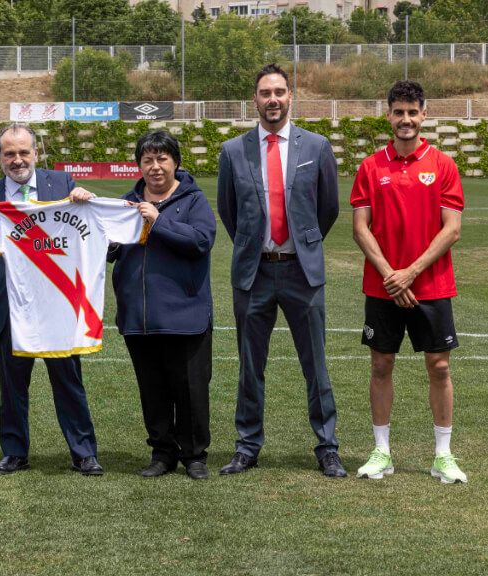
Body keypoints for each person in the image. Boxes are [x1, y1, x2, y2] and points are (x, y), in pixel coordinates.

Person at [216, 63, 346, 478]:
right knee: (250, 365)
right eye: (264, 93)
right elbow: (229, 211)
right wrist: (257, 246)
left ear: (291, 97)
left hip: (301, 273)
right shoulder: (233, 151)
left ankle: (327, 446)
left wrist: (301, 244)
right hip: (254, 274)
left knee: (316, 365)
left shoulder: (317, 147)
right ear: (254, 100)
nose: (272, 100)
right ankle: (247, 446)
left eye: (279, 92)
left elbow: (328, 209)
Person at [0, 123, 104, 476]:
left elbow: (81, 227)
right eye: (9, 153)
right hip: (9, 306)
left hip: (58, 304)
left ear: (36, 154)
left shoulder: (62, 184)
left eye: (24, 152)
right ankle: (14, 451)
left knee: (68, 381)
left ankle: (83, 452)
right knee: (12, 387)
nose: (17, 159)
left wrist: (85, 199)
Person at [351, 80, 467, 484]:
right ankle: (382, 451)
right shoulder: (370, 166)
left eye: (412, 112)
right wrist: (390, 275)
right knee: (381, 364)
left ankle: (443, 455)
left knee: (438, 366)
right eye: (398, 112)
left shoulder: (443, 164)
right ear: (389, 115)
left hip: (431, 285)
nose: (405, 119)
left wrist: (410, 273)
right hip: (382, 284)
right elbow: (360, 229)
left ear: (424, 114)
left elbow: (451, 230)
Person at [109, 130, 216, 480]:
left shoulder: (194, 201)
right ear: (138, 165)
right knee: (152, 389)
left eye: (162, 158)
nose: (155, 167)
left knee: (190, 389)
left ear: (175, 162)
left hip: (185, 315)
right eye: (147, 160)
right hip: (139, 317)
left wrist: (158, 220)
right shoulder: (126, 204)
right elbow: (108, 250)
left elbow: (201, 241)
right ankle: (162, 452)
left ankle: (195, 455)